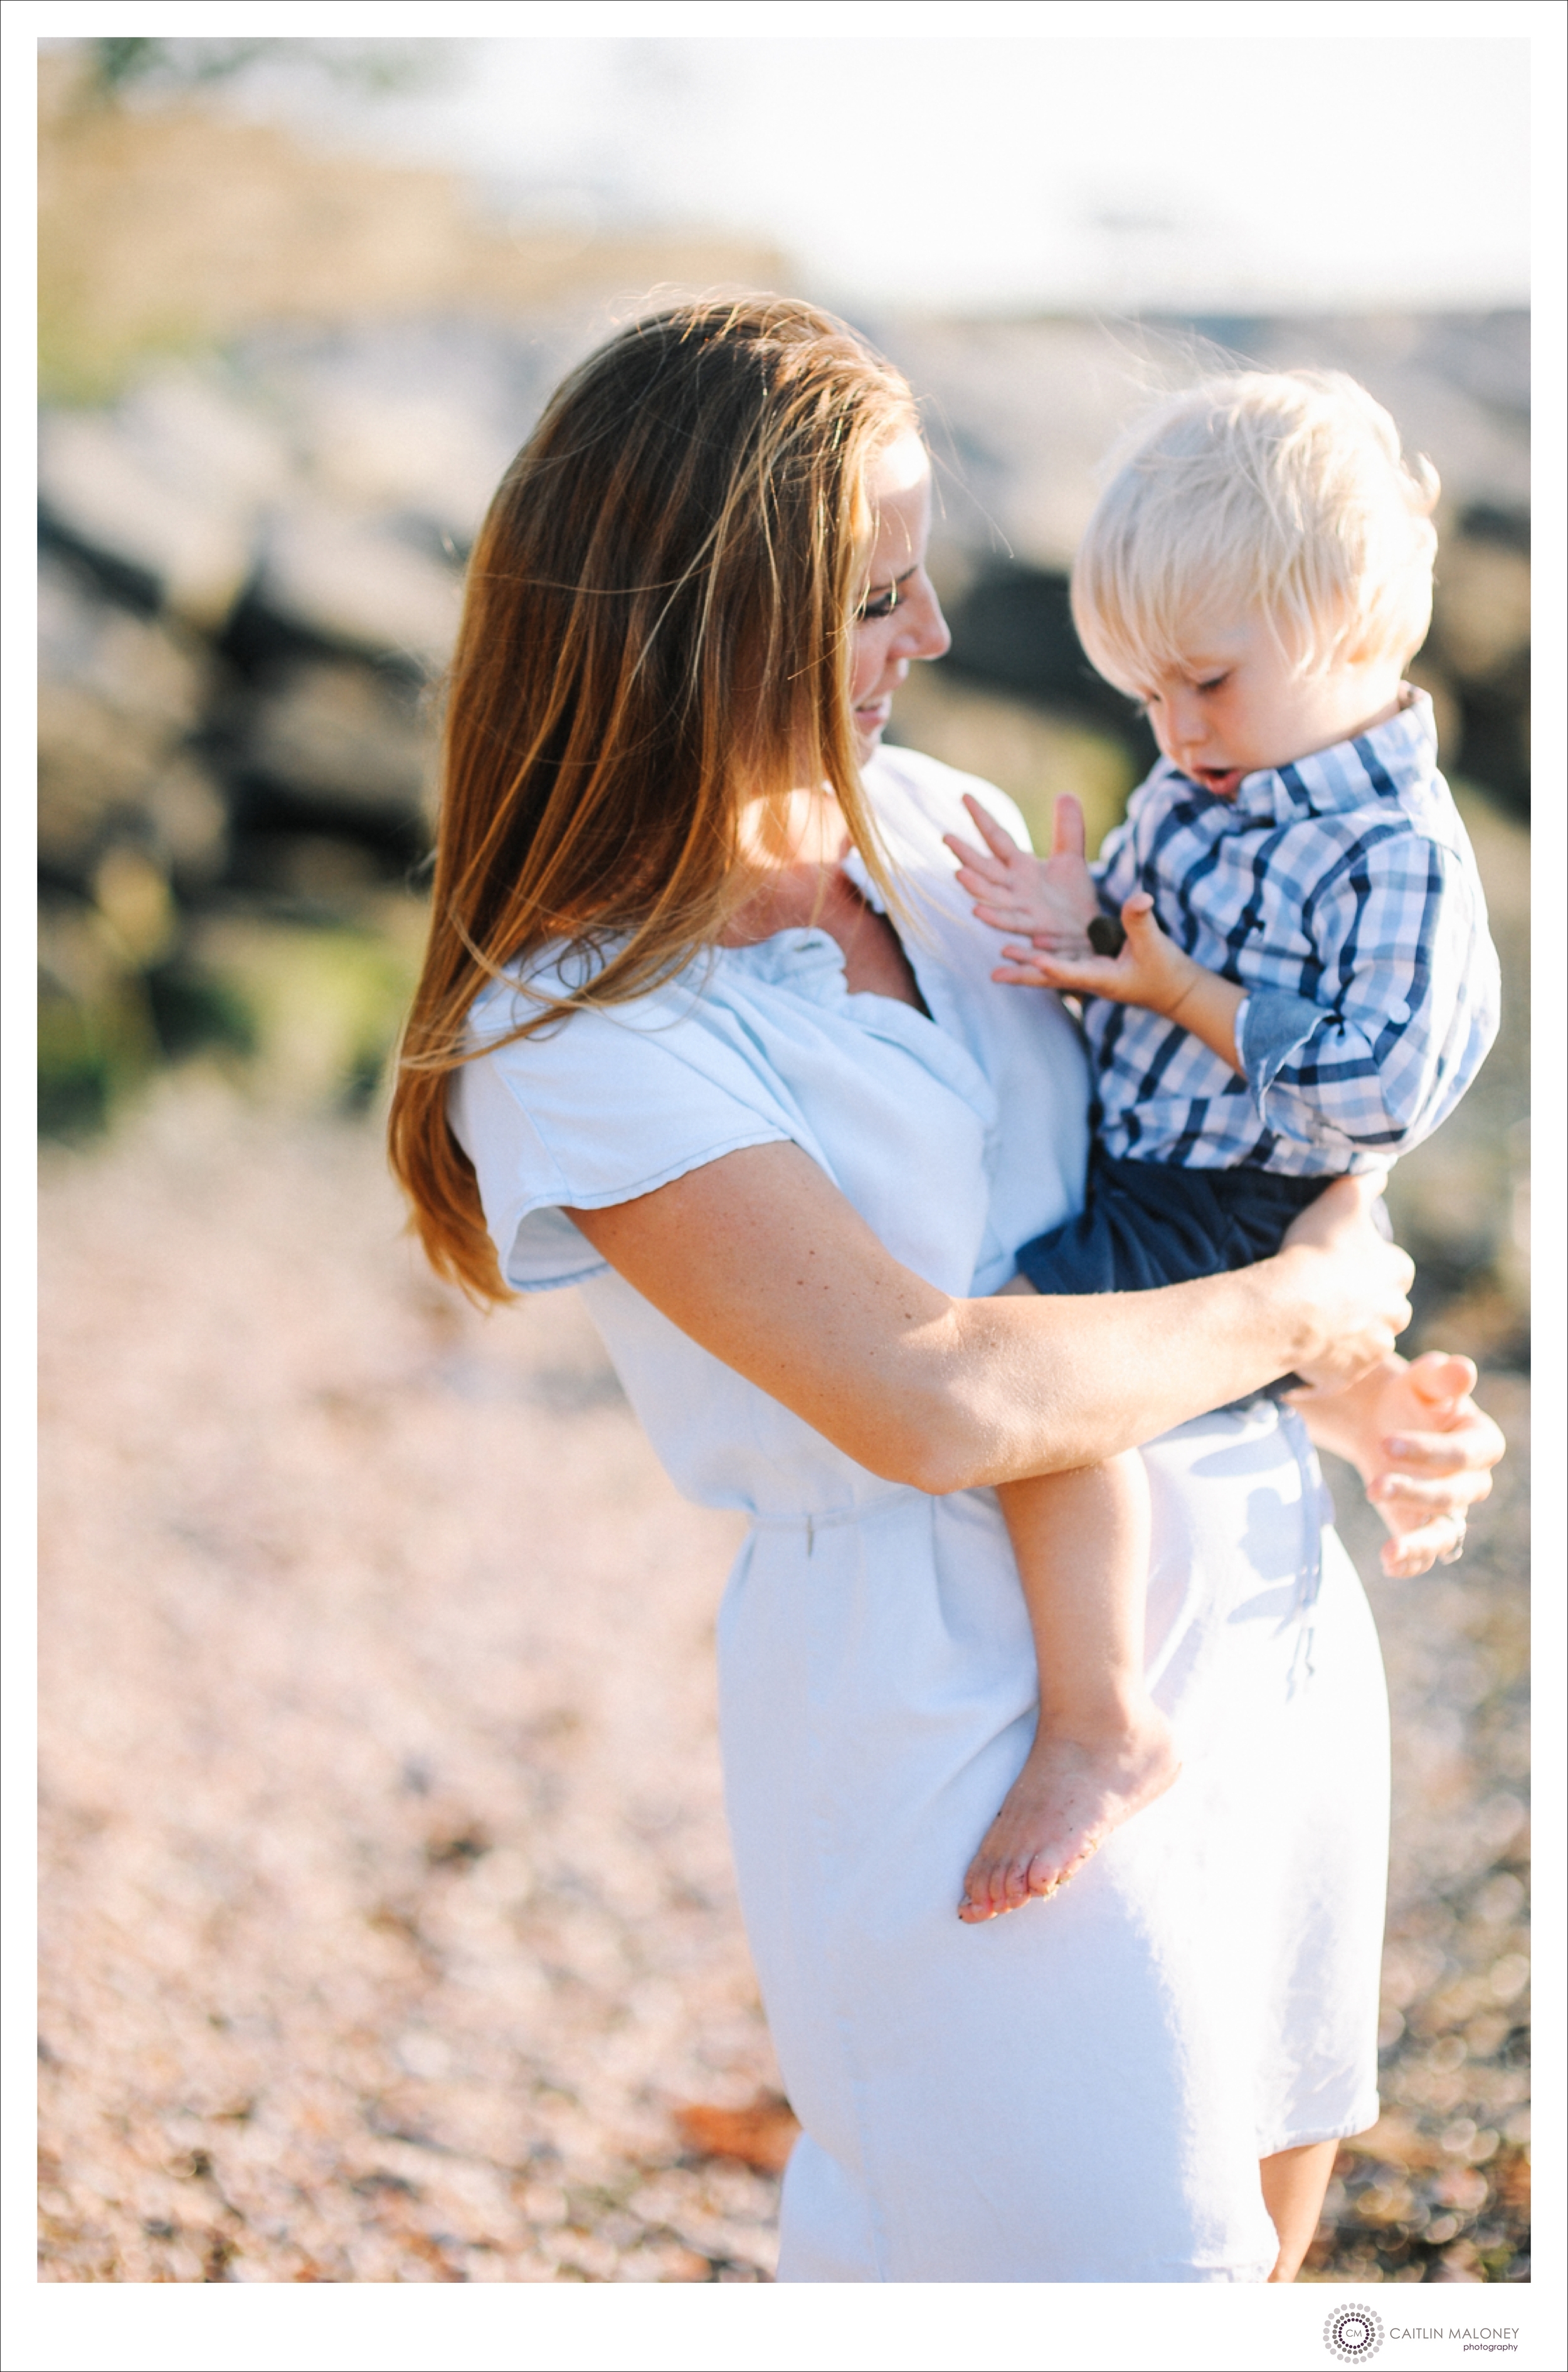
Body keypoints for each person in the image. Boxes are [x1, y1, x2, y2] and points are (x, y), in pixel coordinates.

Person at [387, 299, 1503, 2282]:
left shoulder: (942, 829)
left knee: (1265, 2214)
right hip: (943, 1689)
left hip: (1247, 1589)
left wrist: (1348, 1394)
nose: (931, 638)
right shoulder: (569, 1020)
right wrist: (1307, 1308)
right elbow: (930, 1394)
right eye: (879, 596)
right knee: (1086, 2266)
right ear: (716, 619)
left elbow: (1140, 1188)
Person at [943, 372, 1500, 1924]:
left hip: (1244, 1188)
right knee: (1165, 1340)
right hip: (1159, 1158)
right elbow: (1135, 917)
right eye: (1144, 696)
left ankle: (1100, 1717)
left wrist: (1183, 989)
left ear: (1339, 615)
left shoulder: (1390, 851)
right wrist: (1081, 926)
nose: (1174, 727)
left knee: (1055, 1365)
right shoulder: (1204, 784)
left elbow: (1377, 1092)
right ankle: (1379, 1406)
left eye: (1202, 681)